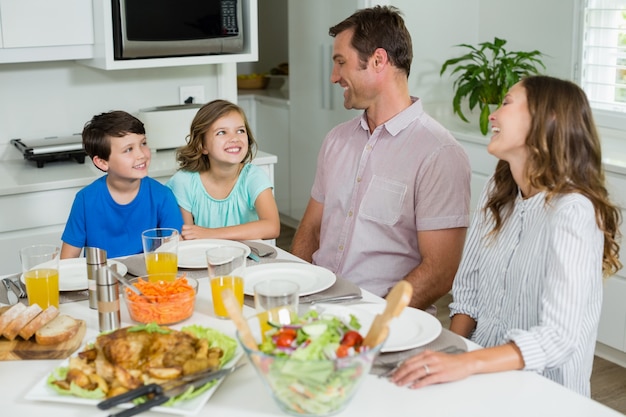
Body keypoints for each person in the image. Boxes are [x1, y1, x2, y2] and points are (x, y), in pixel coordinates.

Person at [390, 75, 622, 396]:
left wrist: (466, 364)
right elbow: (468, 291)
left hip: (545, 397)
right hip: (481, 377)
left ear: (547, 119)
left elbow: (558, 337)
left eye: (507, 103)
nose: (493, 115)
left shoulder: (574, 212)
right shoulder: (496, 191)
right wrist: (454, 354)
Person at [290, 5, 471, 310]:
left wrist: (375, 322)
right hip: (314, 308)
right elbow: (311, 228)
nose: (334, 77)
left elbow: (440, 271)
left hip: (381, 322)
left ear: (378, 60)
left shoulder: (440, 153)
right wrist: (294, 288)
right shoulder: (336, 140)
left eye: (340, 63)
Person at [61, 111, 183, 259]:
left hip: (149, 279)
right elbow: (67, 261)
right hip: (102, 280)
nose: (142, 154)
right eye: (128, 149)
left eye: (143, 143)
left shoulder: (163, 196)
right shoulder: (85, 200)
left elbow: (175, 252)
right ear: (102, 162)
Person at [165, 99, 280, 241]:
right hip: (202, 259)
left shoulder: (254, 177)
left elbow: (272, 227)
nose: (234, 138)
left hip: (249, 259)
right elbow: (186, 238)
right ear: (202, 145)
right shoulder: (184, 181)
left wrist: (211, 233)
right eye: (221, 132)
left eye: (240, 130)